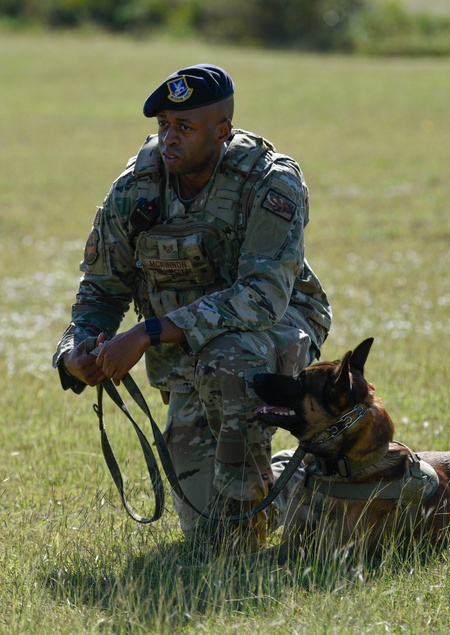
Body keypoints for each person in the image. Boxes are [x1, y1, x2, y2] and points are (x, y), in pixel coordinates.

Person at [52, 63, 332, 550]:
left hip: (278, 328)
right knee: (207, 532)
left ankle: (257, 519)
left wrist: (146, 334)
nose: (169, 139)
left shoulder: (269, 182)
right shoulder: (135, 190)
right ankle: (307, 477)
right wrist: (76, 350)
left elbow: (261, 297)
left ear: (222, 130)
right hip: (186, 355)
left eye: (184, 127)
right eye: (163, 126)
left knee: (229, 360)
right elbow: (100, 289)